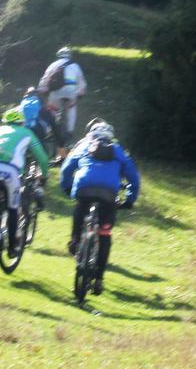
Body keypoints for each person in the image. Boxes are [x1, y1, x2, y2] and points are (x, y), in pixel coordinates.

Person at [60, 121, 139, 287]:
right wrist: (129, 200)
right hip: (109, 194)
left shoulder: (83, 146)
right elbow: (134, 178)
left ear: (91, 133)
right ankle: (99, 279)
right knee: (105, 233)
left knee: (80, 207)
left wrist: (67, 187)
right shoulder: (118, 150)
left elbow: (66, 168)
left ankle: (75, 240)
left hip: (84, 188)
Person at [0, 108, 49, 256]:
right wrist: (44, 176)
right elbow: (43, 159)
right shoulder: (27, 133)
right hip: (11, 172)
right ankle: (12, 247)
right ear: (21, 122)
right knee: (13, 209)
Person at [39, 46, 86, 152]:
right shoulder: (75, 66)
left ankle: (50, 130)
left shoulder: (53, 65)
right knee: (71, 107)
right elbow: (82, 83)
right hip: (71, 92)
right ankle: (70, 133)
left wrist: (43, 90)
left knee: (52, 109)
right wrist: (80, 94)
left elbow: (44, 80)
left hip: (55, 93)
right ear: (69, 56)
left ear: (58, 56)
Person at [19, 85, 58, 155]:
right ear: (35, 93)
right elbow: (46, 110)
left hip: (25, 128)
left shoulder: (22, 103)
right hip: (38, 127)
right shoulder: (38, 100)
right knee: (42, 138)